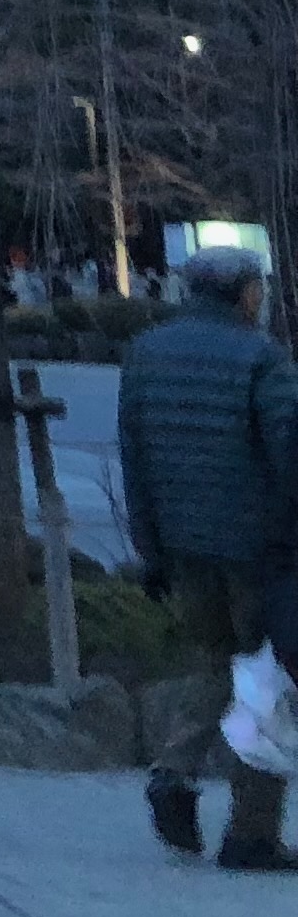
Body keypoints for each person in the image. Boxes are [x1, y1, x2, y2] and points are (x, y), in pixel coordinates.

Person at [118, 242, 298, 869]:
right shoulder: (262, 358)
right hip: (258, 551)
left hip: (181, 546)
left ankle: (173, 769)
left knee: (213, 664)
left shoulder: (146, 354)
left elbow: (135, 460)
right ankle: (252, 834)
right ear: (246, 293)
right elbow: (288, 453)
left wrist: (151, 550)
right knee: (267, 682)